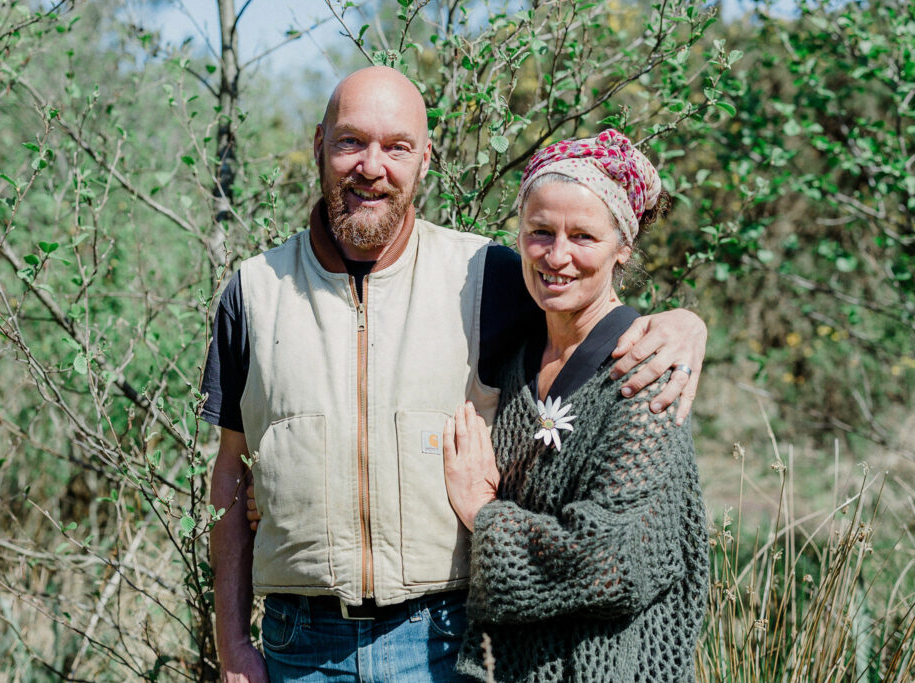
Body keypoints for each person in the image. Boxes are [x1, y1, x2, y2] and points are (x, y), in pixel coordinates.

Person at [201, 66, 707, 683]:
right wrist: (232, 644)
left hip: (444, 644)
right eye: (351, 142)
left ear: (425, 160)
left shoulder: (487, 276)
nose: (371, 166)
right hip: (297, 647)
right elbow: (230, 472)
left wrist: (684, 325)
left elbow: (585, 303)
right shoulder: (253, 293)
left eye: (397, 147)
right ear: (319, 146)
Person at [442, 130, 708, 682]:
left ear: (623, 248)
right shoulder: (515, 359)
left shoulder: (645, 380)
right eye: (540, 232)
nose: (557, 256)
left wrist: (483, 515)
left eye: (583, 236)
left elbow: (611, 562)